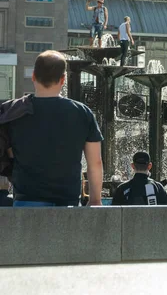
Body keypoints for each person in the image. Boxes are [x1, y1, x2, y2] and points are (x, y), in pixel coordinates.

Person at [0, 51, 103, 207]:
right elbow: (95, 162)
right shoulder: (82, 112)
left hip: (26, 201)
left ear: (33, 76)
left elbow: (9, 152)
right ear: (63, 79)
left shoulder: (14, 112)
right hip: (67, 203)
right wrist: (95, 200)